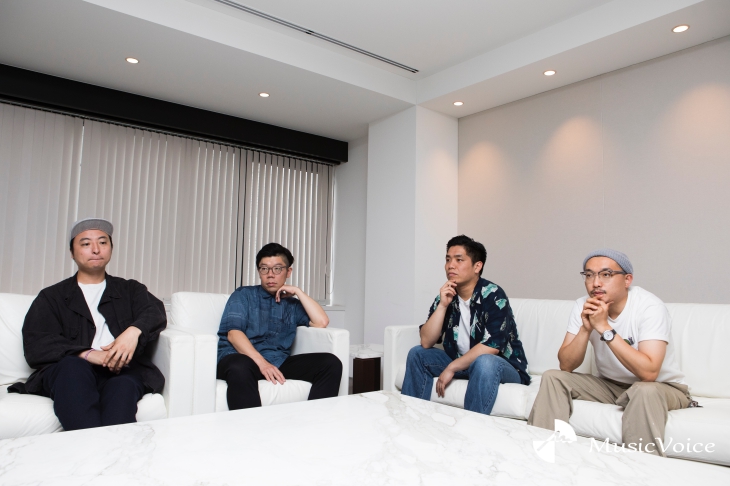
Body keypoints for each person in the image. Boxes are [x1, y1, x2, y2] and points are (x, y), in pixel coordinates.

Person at [527, 249, 690, 456]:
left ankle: (641, 469)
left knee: (644, 390)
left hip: (661, 387)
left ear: (627, 279)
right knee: (554, 377)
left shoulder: (649, 307)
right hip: (611, 386)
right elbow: (566, 365)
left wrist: (604, 328)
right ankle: (542, 457)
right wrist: (585, 329)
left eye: (606, 274)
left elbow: (649, 373)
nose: (595, 283)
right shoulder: (582, 305)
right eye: (589, 275)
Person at [18, 218, 167, 430]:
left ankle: (109, 449)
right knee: (73, 367)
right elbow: (37, 344)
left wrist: (132, 332)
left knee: (124, 386)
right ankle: (93, 446)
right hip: (71, 371)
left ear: (111, 248)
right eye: (86, 243)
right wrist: (89, 354)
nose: (96, 249)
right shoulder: (51, 297)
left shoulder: (130, 289)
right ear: (72, 253)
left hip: (119, 371)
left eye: (103, 242)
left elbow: (155, 311)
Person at [401, 235, 530, 415]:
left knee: (484, 361)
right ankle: (412, 419)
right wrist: (442, 306)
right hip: (462, 363)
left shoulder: (493, 295)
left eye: (459, 260)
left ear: (477, 266)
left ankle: (471, 428)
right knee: (417, 353)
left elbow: (491, 347)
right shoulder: (446, 295)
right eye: (448, 259)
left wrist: (451, 367)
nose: (450, 265)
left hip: (500, 367)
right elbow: (426, 342)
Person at [216, 243, 342, 410]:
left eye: (277, 269)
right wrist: (262, 363)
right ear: (259, 272)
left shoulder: (292, 304)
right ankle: (250, 426)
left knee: (330, 363)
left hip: (277, 361)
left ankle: (313, 420)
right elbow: (234, 334)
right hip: (239, 357)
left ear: (288, 272)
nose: (270, 275)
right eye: (264, 269)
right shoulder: (243, 294)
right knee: (240, 365)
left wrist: (298, 291)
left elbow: (321, 322)